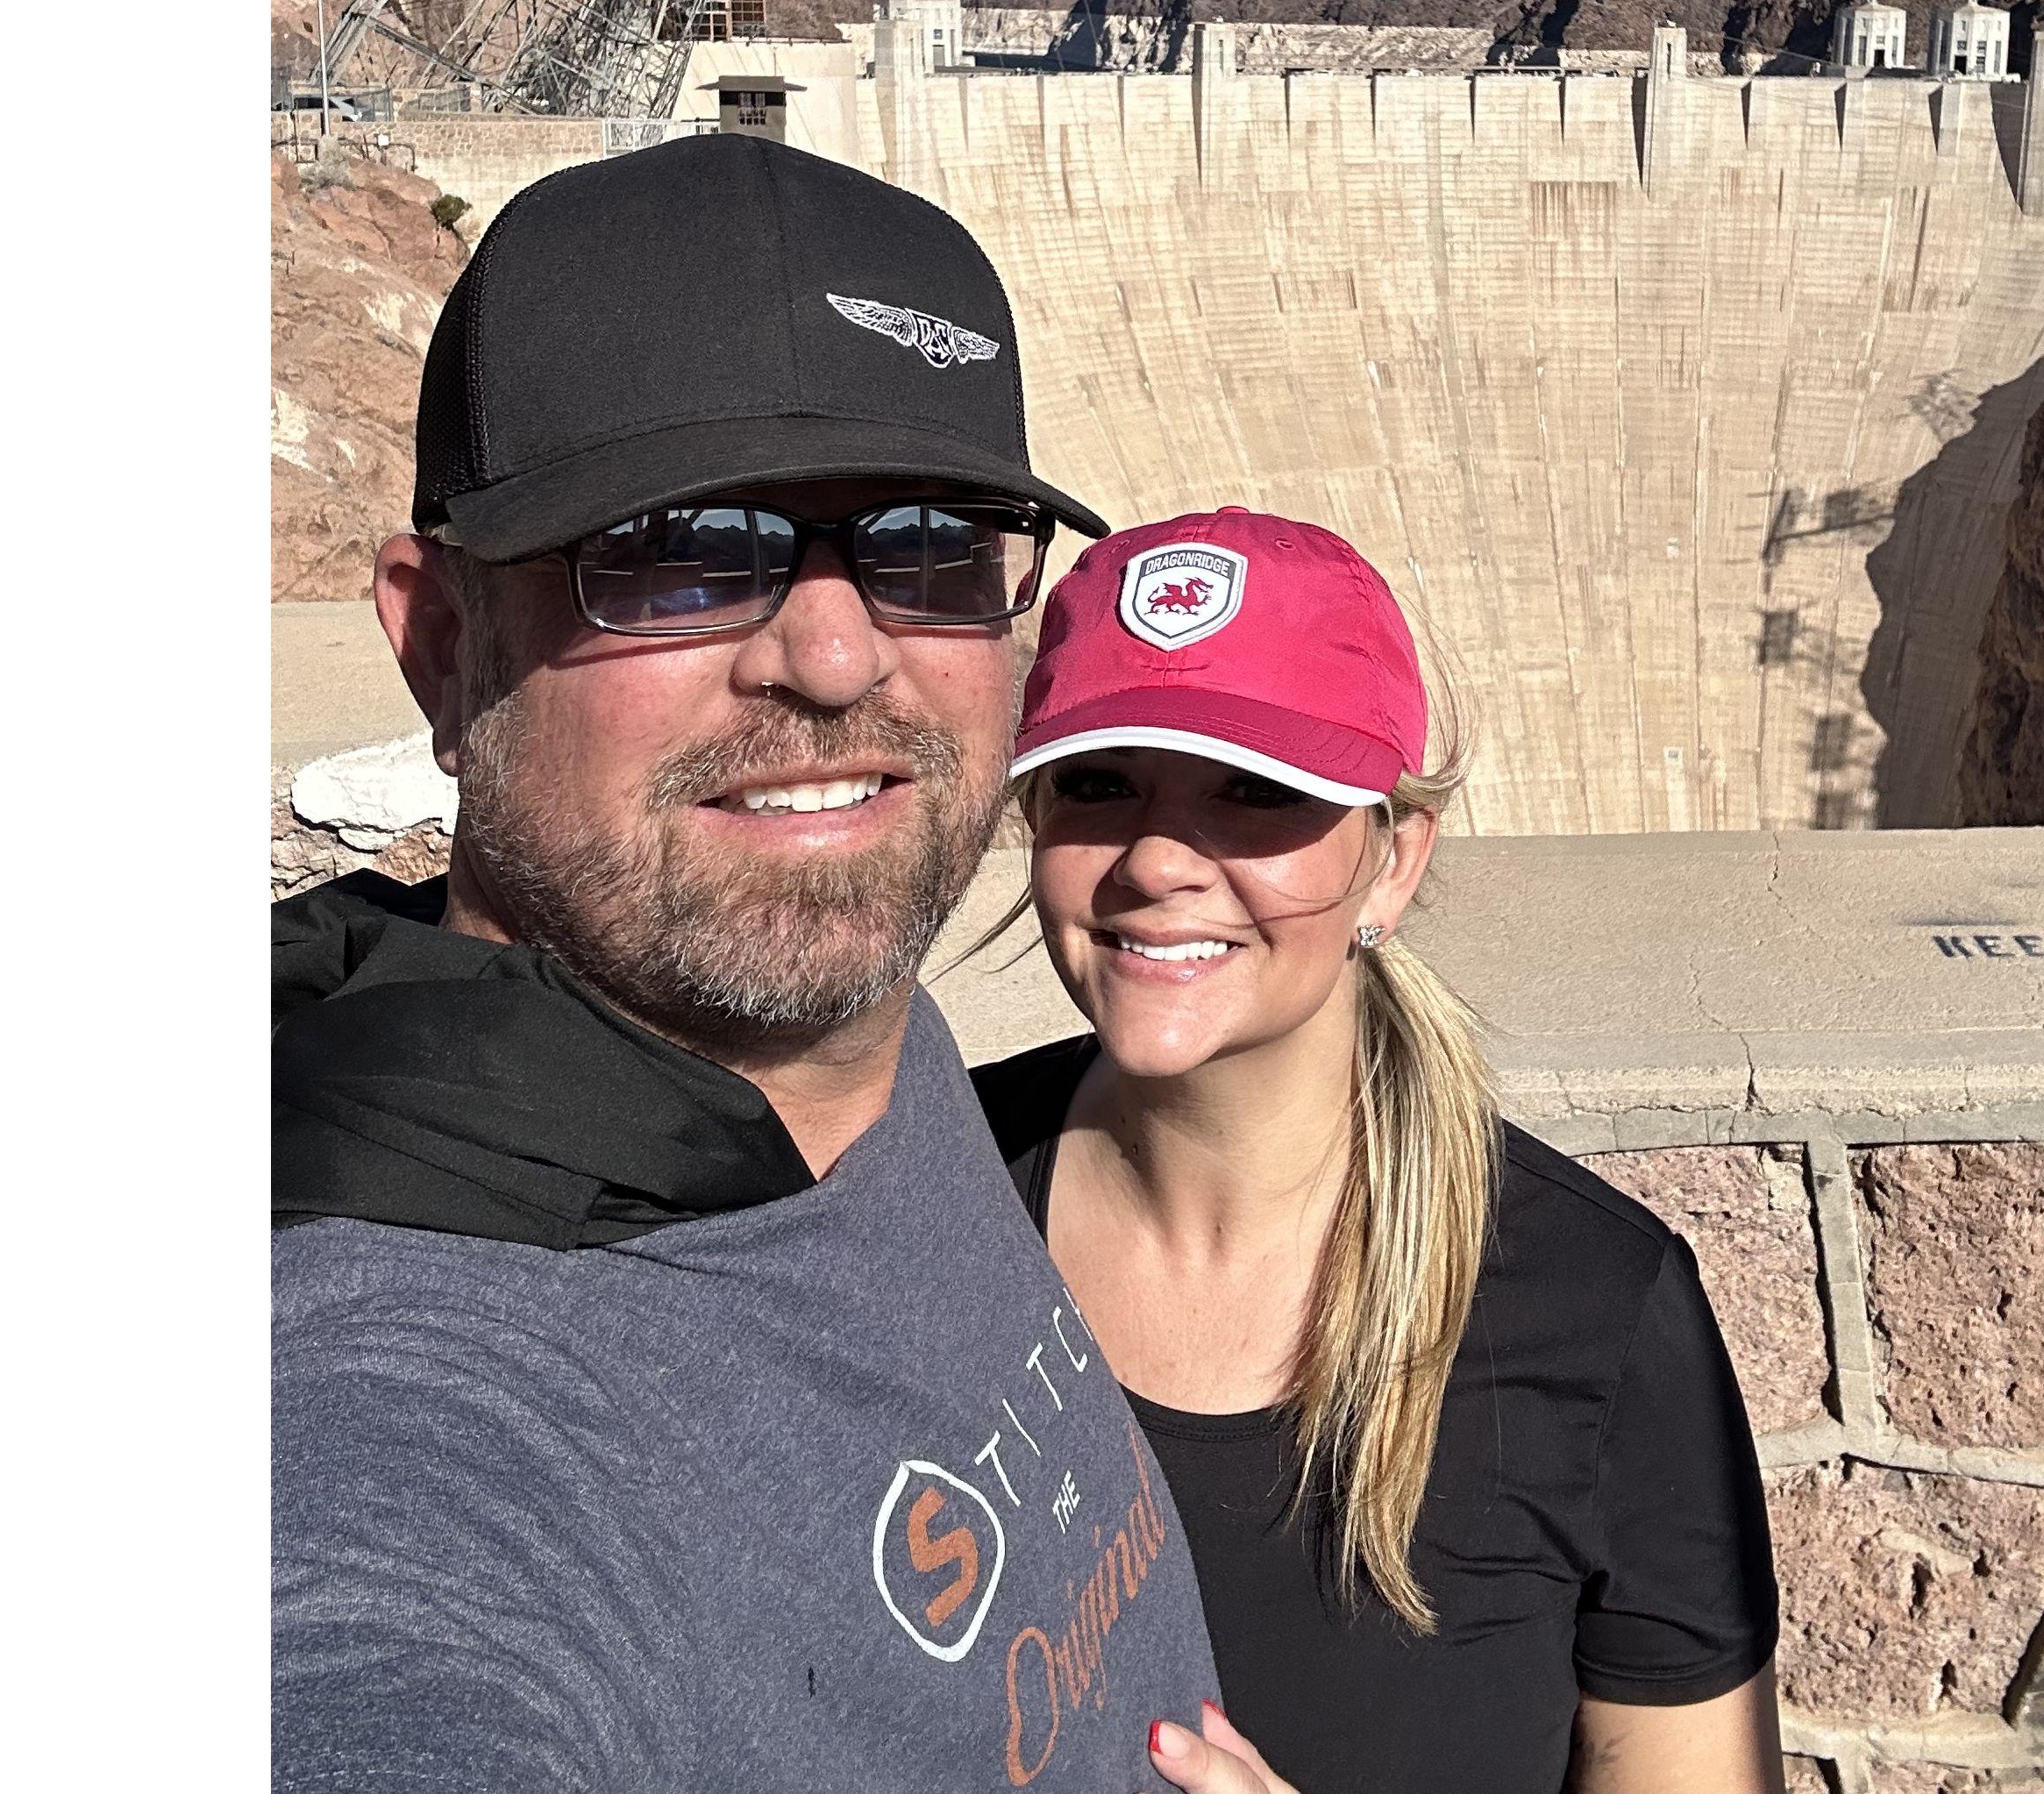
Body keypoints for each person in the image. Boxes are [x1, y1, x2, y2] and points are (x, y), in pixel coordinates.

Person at [273, 138, 1278, 1794]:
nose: (832, 655)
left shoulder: (850, 1043)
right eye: (678, 546)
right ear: (443, 646)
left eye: (931, 543)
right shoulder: (391, 1428)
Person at [973, 509, 1789, 1794]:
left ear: (1392, 863)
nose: (1159, 861)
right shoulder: (917, 1201)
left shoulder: (1593, 1311)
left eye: (1256, 793)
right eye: (1098, 783)